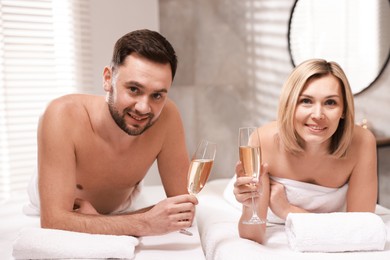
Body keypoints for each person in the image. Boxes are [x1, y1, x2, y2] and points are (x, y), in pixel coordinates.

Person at [33, 29, 198, 236]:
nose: (143, 108)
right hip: (47, 197)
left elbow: (183, 209)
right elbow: (54, 220)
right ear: (107, 79)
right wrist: (144, 223)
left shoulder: (167, 116)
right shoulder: (62, 115)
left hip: (123, 205)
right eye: (134, 89)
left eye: (157, 95)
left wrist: (102, 221)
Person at [233, 59, 377, 244]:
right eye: (306, 101)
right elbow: (253, 235)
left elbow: (360, 230)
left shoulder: (362, 142)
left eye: (330, 102)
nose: (318, 115)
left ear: (343, 110)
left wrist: (287, 209)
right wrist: (248, 206)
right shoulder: (263, 140)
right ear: (290, 105)